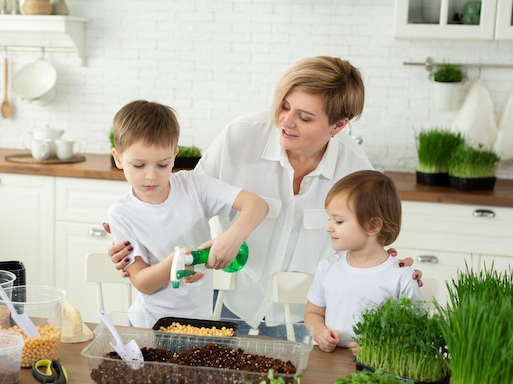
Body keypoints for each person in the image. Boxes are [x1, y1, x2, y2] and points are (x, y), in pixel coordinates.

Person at [106, 56, 421, 333]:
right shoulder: (239, 137)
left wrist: (391, 269)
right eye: (285, 105)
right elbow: (180, 199)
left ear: (338, 126)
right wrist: (135, 226)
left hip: (305, 317)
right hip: (228, 304)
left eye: (305, 117)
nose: (286, 120)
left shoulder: (355, 170)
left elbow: (370, 241)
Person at [107, 100, 268, 327]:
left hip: (199, 321)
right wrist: (176, 262)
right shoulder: (121, 213)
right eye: (139, 165)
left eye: (162, 165)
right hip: (149, 324)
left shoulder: (193, 186)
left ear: (174, 154)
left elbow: (257, 205)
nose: (151, 176)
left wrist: (232, 238)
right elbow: (142, 282)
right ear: (118, 158)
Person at [304, 170, 423, 353]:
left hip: (379, 368)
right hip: (330, 361)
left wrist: (379, 348)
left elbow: (416, 331)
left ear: (373, 225)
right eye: (330, 219)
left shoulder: (401, 276)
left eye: (339, 221)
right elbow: (313, 313)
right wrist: (320, 333)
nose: (328, 227)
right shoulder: (327, 267)